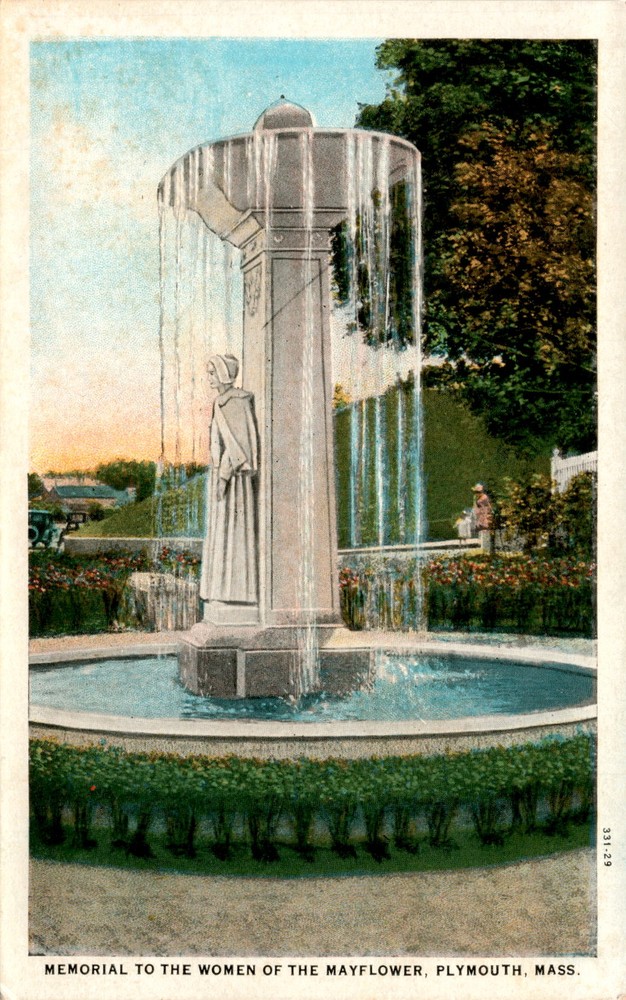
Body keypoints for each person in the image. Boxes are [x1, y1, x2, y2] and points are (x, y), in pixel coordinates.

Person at [199, 354, 259, 606]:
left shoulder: (237, 402)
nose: (209, 378)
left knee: (233, 531)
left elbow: (238, 446)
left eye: (212, 373)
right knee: (221, 531)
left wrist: (223, 477)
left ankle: (235, 593)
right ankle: (221, 591)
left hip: (234, 479)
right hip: (222, 475)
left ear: (224, 374)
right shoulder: (220, 401)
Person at [471, 483, 494, 554]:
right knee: (481, 533)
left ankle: (486, 551)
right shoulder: (479, 498)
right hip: (481, 517)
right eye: (475, 492)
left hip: (484, 518)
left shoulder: (484, 498)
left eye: (478, 492)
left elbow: (479, 507)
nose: (476, 493)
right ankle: (484, 551)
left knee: (485, 532)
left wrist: (475, 501)